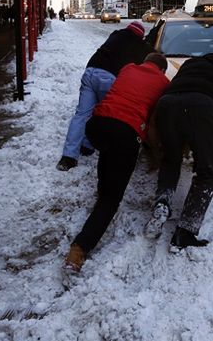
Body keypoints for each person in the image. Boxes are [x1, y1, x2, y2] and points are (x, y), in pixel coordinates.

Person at [64, 53, 170, 273]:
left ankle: (102, 194)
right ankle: (79, 250)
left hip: (98, 124)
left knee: (108, 157)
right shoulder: (163, 82)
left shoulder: (129, 66)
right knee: (111, 199)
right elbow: (154, 121)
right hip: (126, 132)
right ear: (161, 70)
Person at [144, 53, 213, 250]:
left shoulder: (189, 64)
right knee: (207, 172)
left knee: (170, 160)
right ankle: (186, 231)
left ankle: (162, 204)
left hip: (167, 103)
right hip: (203, 105)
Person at [57, 21, 154, 171]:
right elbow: (149, 55)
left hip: (90, 71)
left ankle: (68, 157)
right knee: (105, 114)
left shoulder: (115, 34)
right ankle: (90, 145)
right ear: (140, 37)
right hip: (108, 78)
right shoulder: (139, 45)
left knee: (81, 114)